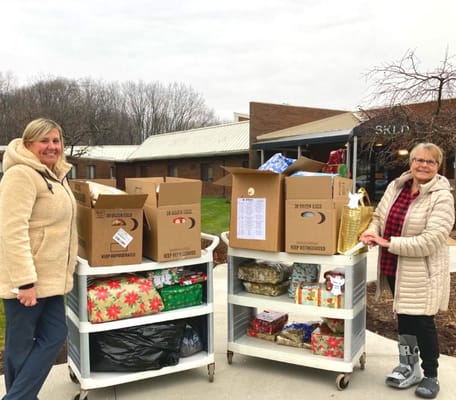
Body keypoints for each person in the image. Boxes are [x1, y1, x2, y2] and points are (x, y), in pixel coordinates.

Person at [360, 143, 454, 399]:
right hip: (396, 267)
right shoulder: (396, 186)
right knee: (403, 320)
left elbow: (432, 239)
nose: (423, 165)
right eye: (418, 160)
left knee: (423, 323)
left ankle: (431, 375)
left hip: (423, 272)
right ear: (410, 162)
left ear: (438, 166)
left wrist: (388, 243)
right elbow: (379, 217)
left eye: (430, 162)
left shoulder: (442, 196)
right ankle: (408, 366)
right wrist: (373, 231)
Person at [0, 118, 78, 400]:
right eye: (44, 141)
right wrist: (25, 282)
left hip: (53, 279)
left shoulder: (55, 175)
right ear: (28, 143)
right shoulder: (21, 175)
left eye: (56, 141)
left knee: (55, 335)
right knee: (19, 348)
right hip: (27, 281)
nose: (51, 146)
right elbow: (12, 230)